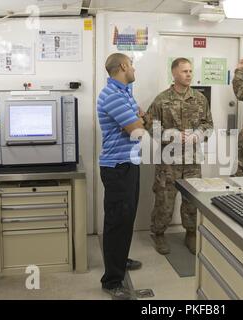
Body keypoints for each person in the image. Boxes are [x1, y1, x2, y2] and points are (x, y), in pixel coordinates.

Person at [143, 58, 213, 255]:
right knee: (164, 199)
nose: (189, 74)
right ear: (174, 74)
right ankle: (159, 234)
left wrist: (197, 135)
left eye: (190, 71)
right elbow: (150, 125)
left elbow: (208, 125)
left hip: (192, 160)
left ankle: (191, 233)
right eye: (184, 71)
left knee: (192, 199)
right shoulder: (161, 100)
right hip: (169, 160)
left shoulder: (200, 99)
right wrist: (170, 135)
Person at [97, 53, 145, 300]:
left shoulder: (124, 91)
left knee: (127, 218)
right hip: (117, 168)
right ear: (123, 66)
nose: (134, 68)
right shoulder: (113, 96)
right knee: (117, 222)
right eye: (132, 64)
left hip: (129, 163)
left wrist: (139, 117)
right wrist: (139, 120)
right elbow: (137, 129)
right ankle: (112, 280)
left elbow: (138, 116)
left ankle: (120, 259)